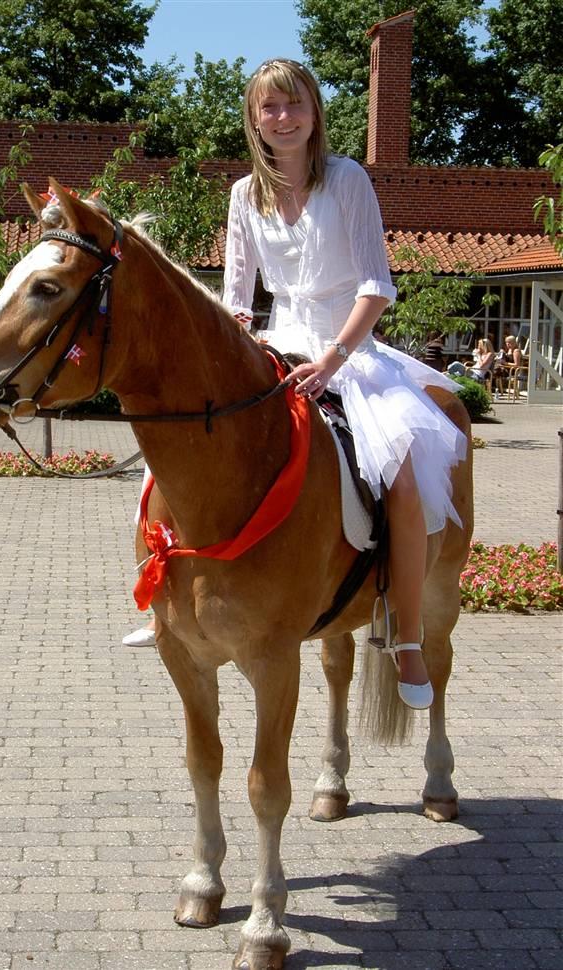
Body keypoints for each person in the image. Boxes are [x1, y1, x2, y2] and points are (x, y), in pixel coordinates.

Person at [221, 58, 468, 710]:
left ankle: (407, 634)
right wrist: (239, 349)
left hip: (349, 354)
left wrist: (331, 359)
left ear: (314, 112)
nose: (283, 117)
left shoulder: (348, 180)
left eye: (294, 104)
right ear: (254, 120)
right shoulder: (243, 196)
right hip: (274, 352)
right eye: (269, 108)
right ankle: (171, 597)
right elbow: (238, 301)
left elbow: (376, 286)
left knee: (405, 478)